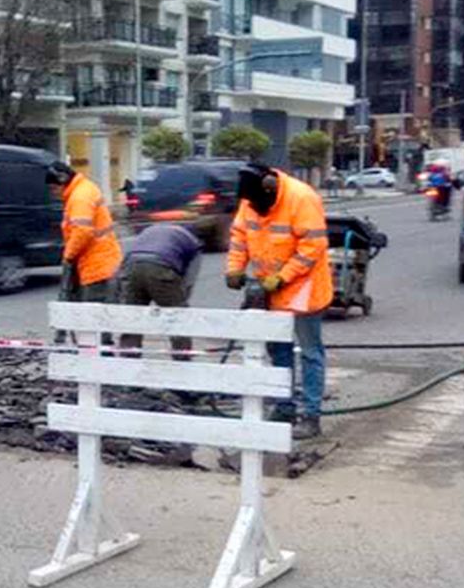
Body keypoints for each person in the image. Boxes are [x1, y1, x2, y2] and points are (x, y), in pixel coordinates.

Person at [225, 164, 334, 440]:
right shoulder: (251, 200)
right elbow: (240, 236)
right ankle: (284, 407)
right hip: (270, 288)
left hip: (303, 286)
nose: (256, 209)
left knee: (310, 351)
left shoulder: (301, 198)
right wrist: (235, 268)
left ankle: (311, 415)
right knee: (279, 350)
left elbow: (313, 247)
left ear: (270, 188)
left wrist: (283, 277)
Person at [117, 222, 203, 358]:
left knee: (133, 316)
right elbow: (189, 279)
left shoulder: (150, 230)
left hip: (131, 265)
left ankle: (129, 356)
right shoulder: (193, 243)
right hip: (161, 267)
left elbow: (127, 256)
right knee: (176, 315)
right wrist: (180, 298)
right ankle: (181, 356)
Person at [47, 160, 122, 305]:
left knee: (98, 314)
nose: (54, 193)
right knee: (104, 313)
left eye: (54, 188)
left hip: (96, 265)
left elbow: (82, 232)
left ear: (63, 180)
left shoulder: (79, 197)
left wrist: (68, 256)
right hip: (103, 261)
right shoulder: (85, 188)